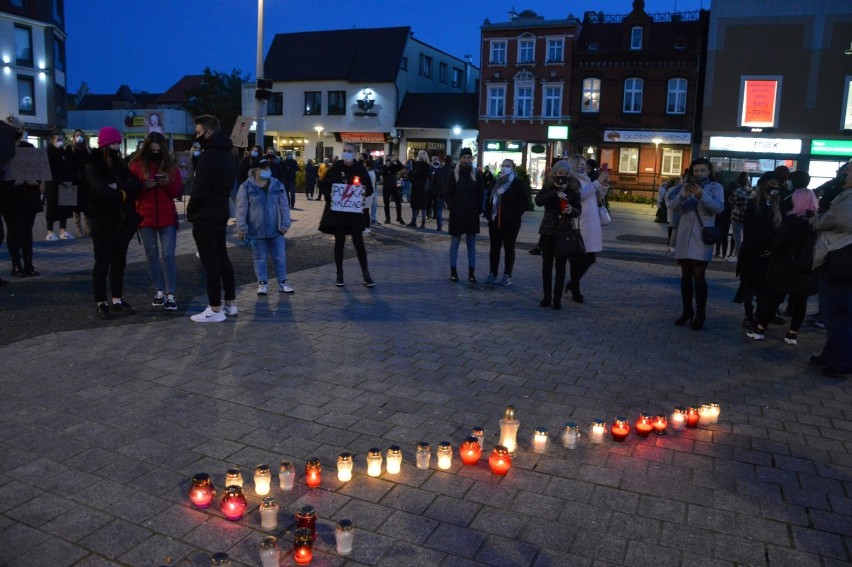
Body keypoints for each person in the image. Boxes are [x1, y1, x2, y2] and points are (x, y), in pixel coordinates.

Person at [84, 126, 143, 320]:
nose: (118, 146)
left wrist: (119, 187)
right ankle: (101, 301)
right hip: (101, 218)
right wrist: (122, 192)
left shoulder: (119, 163)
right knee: (102, 261)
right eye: (114, 143)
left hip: (121, 219)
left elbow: (137, 184)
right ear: (105, 145)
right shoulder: (92, 164)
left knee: (119, 261)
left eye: (119, 142)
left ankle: (117, 299)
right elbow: (102, 191)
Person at [749, 188, 819, 344]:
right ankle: (792, 334)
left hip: (785, 264)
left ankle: (760, 329)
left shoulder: (791, 220)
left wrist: (771, 252)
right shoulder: (816, 221)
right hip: (806, 267)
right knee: (800, 302)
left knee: (774, 298)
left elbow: (780, 243)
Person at [187, 115, 238, 322]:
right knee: (221, 257)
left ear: (208, 133)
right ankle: (230, 303)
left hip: (205, 215)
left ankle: (215, 309)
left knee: (210, 262)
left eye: (199, 133)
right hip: (220, 212)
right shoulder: (228, 155)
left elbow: (200, 189)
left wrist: (191, 211)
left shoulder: (210, 156)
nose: (197, 137)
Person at [665, 157, 725, 330]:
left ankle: (701, 313)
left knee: (699, 276)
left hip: (701, 237)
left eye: (702, 170)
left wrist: (701, 195)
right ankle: (687, 311)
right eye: (696, 171)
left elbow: (719, 208)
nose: (699, 174)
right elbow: (673, 207)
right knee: (685, 277)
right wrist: (683, 196)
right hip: (685, 237)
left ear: (709, 172)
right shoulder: (686, 186)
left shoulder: (716, 187)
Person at [129, 131, 183, 311]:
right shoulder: (136, 165)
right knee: (152, 256)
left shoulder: (169, 165)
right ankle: (159, 290)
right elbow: (131, 190)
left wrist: (167, 183)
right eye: (152, 150)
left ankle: (171, 293)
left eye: (158, 150)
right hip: (146, 216)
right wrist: (144, 186)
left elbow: (177, 191)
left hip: (166, 216)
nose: (155, 153)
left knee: (168, 256)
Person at [811, 159, 852, 376]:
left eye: (848, 170)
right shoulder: (843, 194)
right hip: (838, 257)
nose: (844, 173)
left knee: (836, 313)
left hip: (839, 260)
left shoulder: (848, 199)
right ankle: (832, 353)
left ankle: (841, 360)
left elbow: (835, 219)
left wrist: (818, 219)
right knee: (834, 313)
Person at [318, 142, 375, 287]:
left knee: (358, 242)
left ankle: (366, 273)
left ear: (355, 153)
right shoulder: (335, 168)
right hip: (338, 213)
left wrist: (361, 193)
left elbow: (369, 188)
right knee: (339, 242)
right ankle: (339, 273)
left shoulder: (359, 169)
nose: (347, 153)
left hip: (354, 213)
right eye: (345, 150)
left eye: (349, 151)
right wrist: (329, 195)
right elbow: (323, 185)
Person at [236, 157, 294, 295]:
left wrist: (286, 223)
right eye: (264, 168)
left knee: (280, 257)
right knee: (260, 258)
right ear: (255, 170)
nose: (267, 171)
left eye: (268, 168)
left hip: (277, 229)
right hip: (257, 229)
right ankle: (262, 283)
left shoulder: (277, 184)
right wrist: (241, 227)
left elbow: (284, 205)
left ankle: (283, 282)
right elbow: (241, 208)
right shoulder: (246, 186)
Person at [738, 171, 783, 332]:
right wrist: (757, 249)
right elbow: (748, 229)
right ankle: (748, 316)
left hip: (769, 255)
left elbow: (778, 231)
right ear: (764, 185)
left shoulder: (778, 205)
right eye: (772, 183)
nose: (775, 187)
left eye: (778, 184)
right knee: (749, 286)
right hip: (752, 253)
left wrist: (771, 249)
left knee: (764, 289)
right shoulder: (754, 204)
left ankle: (760, 315)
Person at [534, 160, 582, 309]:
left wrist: (571, 210)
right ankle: (547, 296)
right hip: (548, 231)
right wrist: (555, 192)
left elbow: (578, 210)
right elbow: (538, 201)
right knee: (546, 265)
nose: (563, 176)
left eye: (566, 174)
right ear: (554, 174)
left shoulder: (573, 190)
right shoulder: (548, 187)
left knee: (561, 267)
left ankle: (557, 299)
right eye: (560, 173)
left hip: (564, 232)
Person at [562, 154, 610, 303]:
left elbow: (596, 196)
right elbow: (580, 195)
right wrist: (596, 183)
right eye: (580, 163)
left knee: (590, 257)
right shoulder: (572, 180)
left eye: (584, 164)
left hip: (591, 222)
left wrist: (603, 185)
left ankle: (572, 284)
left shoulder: (587, 179)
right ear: (573, 164)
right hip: (580, 223)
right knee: (579, 258)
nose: (583, 166)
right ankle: (575, 289)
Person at [1, 116, 43, 278]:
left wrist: (35, 180)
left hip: (28, 195)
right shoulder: (3, 149)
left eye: (19, 129)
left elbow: (40, 169)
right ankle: (16, 265)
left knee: (27, 231)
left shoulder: (29, 147)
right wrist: (11, 181)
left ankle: (28, 264)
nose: (17, 132)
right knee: (13, 231)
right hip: (10, 197)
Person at [484, 159, 528, 286]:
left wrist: (513, 217)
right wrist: (488, 215)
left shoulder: (517, 183)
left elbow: (523, 203)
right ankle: (493, 273)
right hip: (495, 222)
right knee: (494, 248)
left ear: (513, 168)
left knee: (509, 248)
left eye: (508, 166)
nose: (504, 168)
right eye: (503, 165)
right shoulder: (496, 182)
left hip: (511, 223)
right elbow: (489, 200)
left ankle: (507, 274)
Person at [445, 148, 483, 283]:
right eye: (464, 157)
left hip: (471, 215)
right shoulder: (454, 173)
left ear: (472, 159)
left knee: (471, 244)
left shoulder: (476, 174)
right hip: (457, 214)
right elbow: (448, 194)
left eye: (469, 157)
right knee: (455, 243)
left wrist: (478, 209)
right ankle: (453, 271)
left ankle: (471, 273)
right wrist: (453, 207)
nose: (466, 160)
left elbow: (480, 194)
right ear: (460, 158)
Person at [44, 131, 76, 240]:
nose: (60, 142)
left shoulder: (66, 152)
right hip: (53, 183)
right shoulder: (49, 152)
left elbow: (71, 167)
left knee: (65, 208)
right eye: (58, 139)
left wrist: (70, 180)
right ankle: (50, 232)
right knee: (52, 207)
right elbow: (50, 169)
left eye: (62, 139)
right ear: (52, 140)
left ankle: (63, 231)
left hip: (67, 183)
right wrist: (61, 180)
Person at [69, 129, 92, 238]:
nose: (79, 137)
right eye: (77, 136)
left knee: (87, 206)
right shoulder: (70, 149)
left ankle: (88, 227)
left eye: (81, 135)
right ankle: (78, 229)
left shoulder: (87, 150)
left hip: (85, 181)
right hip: (75, 182)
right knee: (76, 207)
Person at [408, 150, 430, 227]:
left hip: (418, 185)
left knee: (416, 204)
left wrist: (414, 174)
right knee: (421, 205)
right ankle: (421, 222)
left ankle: (414, 221)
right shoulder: (426, 165)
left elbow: (414, 174)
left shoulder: (420, 165)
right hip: (422, 186)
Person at [381, 155, 404, 225]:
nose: (388, 161)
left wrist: (396, 160)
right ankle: (387, 218)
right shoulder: (384, 167)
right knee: (386, 204)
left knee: (398, 202)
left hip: (394, 187)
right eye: (387, 160)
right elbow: (382, 173)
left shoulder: (393, 166)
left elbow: (401, 167)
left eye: (389, 160)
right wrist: (386, 167)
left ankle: (399, 217)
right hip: (386, 187)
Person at [714, 177, 734, 260]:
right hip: (727, 217)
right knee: (724, 236)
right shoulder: (730, 196)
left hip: (719, 216)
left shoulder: (720, 194)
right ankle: (724, 253)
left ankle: (717, 251)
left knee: (719, 235)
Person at [433, 155, 453, 231]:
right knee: (452, 209)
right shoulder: (453, 170)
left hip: (440, 192)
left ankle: (439, 226)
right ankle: (451, 226)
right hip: (450, 193)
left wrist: (436, 189)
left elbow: (434, 182)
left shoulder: (440, 170)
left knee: (439, 209)